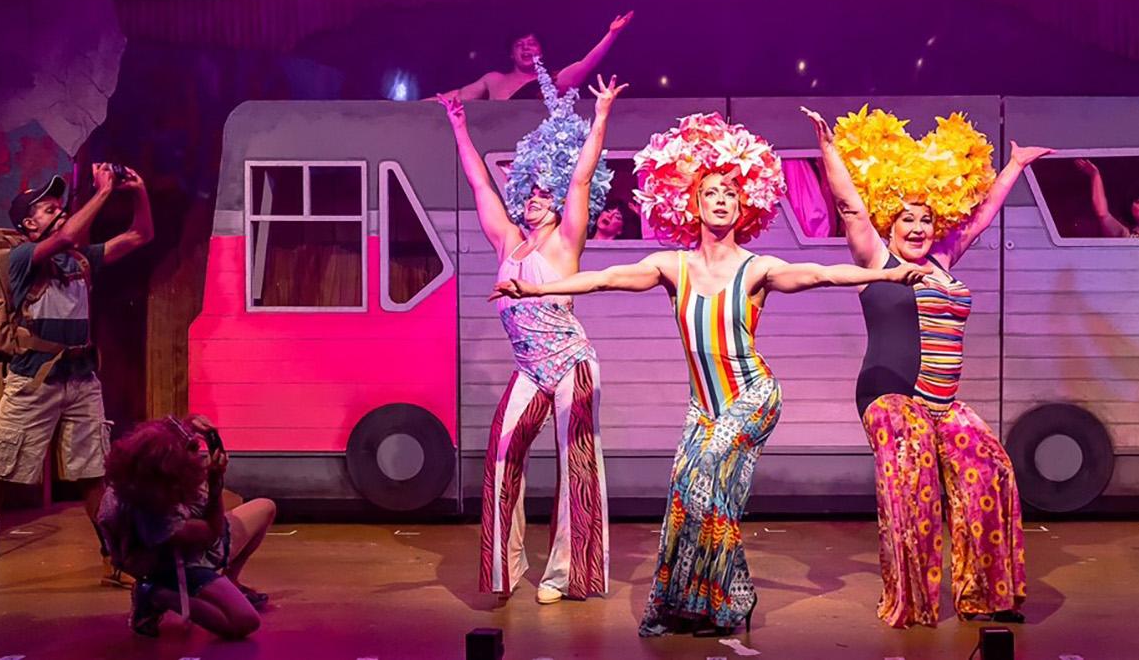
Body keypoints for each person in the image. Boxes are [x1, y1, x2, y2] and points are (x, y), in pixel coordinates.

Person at [492, 111, 932, 637]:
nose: (721, 200)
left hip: (753, 395)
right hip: (705, 408)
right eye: (711, 194)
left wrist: (888, 271)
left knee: (705, 490)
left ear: (743, 207)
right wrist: (537, 290)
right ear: (694, 205)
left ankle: (731, 595)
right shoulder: (672, 267)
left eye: (730, 194)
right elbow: (604, 278)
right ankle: (695, 605)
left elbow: (822, 274)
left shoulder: (758, 268)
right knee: (687, 501)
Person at [805, 105, 1048, 628]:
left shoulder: (941, 261)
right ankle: (911, 602)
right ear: (888, 222)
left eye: (925, 219)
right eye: (905, 219)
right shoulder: (876, 259)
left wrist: (1014, 167)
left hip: (942, 402)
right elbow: (849, 208)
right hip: (890, 397)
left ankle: (985, 596)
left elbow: (981, 219)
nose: (916, 228)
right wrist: (828, 150)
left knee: (991, 471)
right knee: (914, 487)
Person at [0, 163, 155, 606]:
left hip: (81, 379)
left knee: (92, 474)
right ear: (28, 224)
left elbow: (140, 236)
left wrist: (136, 193)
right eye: (49, 209)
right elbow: (63, 237)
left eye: (60, 206)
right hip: (33, 382)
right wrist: (102, 193)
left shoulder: (79, 262)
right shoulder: (21, 259)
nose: (60, 213)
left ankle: (113, 561)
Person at [438, 63, 621, 604]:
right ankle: (504, 570)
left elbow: (584, 176)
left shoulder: (566, 241)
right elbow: (478, 181)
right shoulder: (506, 243)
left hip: (571, 361)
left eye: (547, 192)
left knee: (575, 460)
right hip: (529, 368)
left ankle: (567, 575)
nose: (536, 199)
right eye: (531, 192)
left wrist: (602, 115)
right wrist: (458, 126)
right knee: (499, 457)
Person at [96, 415, 275, 639]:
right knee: (243, 622)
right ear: (169, 469)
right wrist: (215, 481)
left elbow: (162, 434)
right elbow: (211, 533)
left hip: (184, 546)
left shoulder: (135, 478)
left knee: (265, 507)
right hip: (174, 564)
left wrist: (191, 423)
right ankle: (154, 594)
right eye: (189, 452)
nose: (196, 456)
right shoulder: (158, 515)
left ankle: (231, 581)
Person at [442, 11, 635, 100]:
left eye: (531, 44)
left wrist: (612, 34)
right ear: (511, 53)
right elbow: (457, 96)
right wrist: (414, 107)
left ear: (540, 51)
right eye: (519, 45)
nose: (525, 48)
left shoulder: (552, 82)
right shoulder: (493, 80)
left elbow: (585, 64)